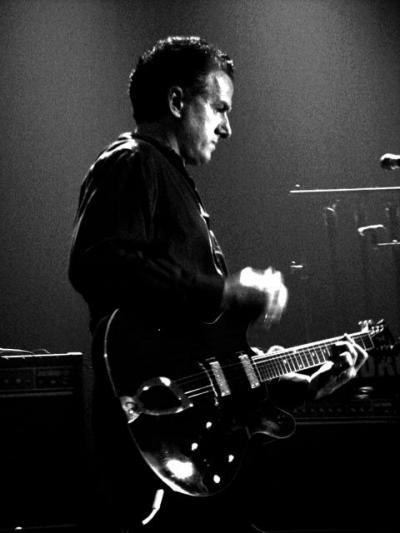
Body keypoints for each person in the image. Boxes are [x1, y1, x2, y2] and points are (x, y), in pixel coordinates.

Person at [68, 36, 368, 533]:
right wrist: (224, 292)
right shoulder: (132, 161)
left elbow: (210, 363)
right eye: (220, 108)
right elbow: (98, 263)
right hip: (153, 437)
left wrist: (302, 386)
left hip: (195, 449)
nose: (226, 127)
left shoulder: (172, 179)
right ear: (177, 101)